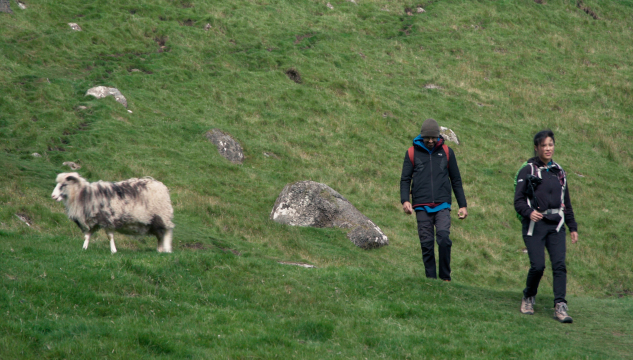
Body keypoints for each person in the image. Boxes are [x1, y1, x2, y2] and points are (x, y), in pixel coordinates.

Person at [514, 129, 578, 323]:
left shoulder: (559, 172)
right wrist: (529, 212)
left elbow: (565, 202)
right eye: (544, 145)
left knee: (559, 265)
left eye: (551, 144)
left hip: (556, 226)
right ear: (536, 148)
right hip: (535, 225)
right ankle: (528, 296)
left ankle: (560, 306)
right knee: (538, 266)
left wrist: (572, 227)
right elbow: (518, 201)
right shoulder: (528, 170)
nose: (548, 148)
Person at [400, 119, 468, 281]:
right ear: (421, 136)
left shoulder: (447, 152)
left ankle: (445, 278)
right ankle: (430, 280)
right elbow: (405, 179)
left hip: (442, 204)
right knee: (427, 244)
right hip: (421, 205)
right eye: (427, 138)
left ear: (439, 136)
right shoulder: (411, 153)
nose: (431, 141)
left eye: (434, 137)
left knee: (444, 239)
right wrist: (405, 200)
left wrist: (463, 205)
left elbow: (456, 180)